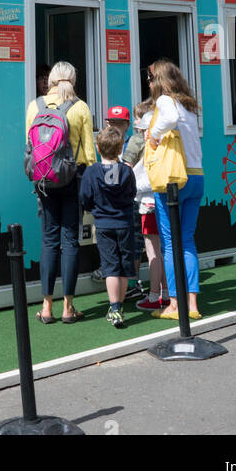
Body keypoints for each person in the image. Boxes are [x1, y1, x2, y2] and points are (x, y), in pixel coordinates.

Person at [25, 61, 97, 325]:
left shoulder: (35, 106)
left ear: (52, 80)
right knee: (70, 242)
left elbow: (30, 146)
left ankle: (46, 307)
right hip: (73, 179)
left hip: (43, 180)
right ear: (73, 80)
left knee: (48, 241)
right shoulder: (80, 107)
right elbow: (89, 153)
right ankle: (68, 307)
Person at [146, 58, 205, 320]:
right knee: (188, 241)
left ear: (158, 80)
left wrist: (154, 135)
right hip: (196, 176)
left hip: (174, 180)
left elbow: (167, 118)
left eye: (150, 78)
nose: (147, 83)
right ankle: (192, 304)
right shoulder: (189, 105)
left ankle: (173, 304)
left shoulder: (165, 101)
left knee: (170, 244)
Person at [79, 126, 137, 327]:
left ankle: (114, 308)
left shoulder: (91, 171)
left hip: (103, 225)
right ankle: (119, 305)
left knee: (110, 267)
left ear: (97, 147)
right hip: (125, 223)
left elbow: (85, 198)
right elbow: (132, 195)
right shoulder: (127, 171)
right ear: (121, 148)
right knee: (123, 266)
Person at [129, 102, 169, 311]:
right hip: (162, 203)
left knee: (154, 254)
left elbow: (149, 181)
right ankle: (165, 293)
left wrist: (131, 186)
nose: (142, 134)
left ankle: (155, 296)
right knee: (163, 251)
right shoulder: (166, 147)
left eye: (143, 130)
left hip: (149, 204)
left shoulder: (152, 150)